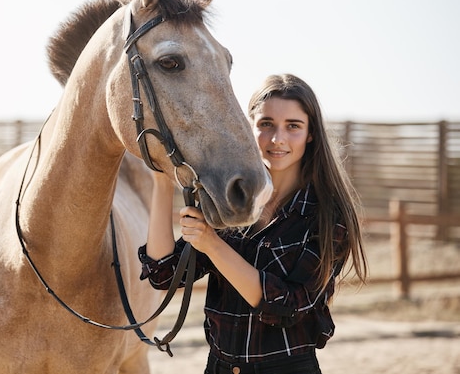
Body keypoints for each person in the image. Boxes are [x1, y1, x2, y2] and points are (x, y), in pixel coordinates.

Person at [138, 73, 368, 374]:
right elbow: (163, 274)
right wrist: (162, 180)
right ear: (250, 126)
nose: (277, 139)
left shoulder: (327, 216)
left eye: (293, 126)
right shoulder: (231, 200)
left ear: (311, 133)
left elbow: (287, 306)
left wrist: (213, 245)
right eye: (266, 124)